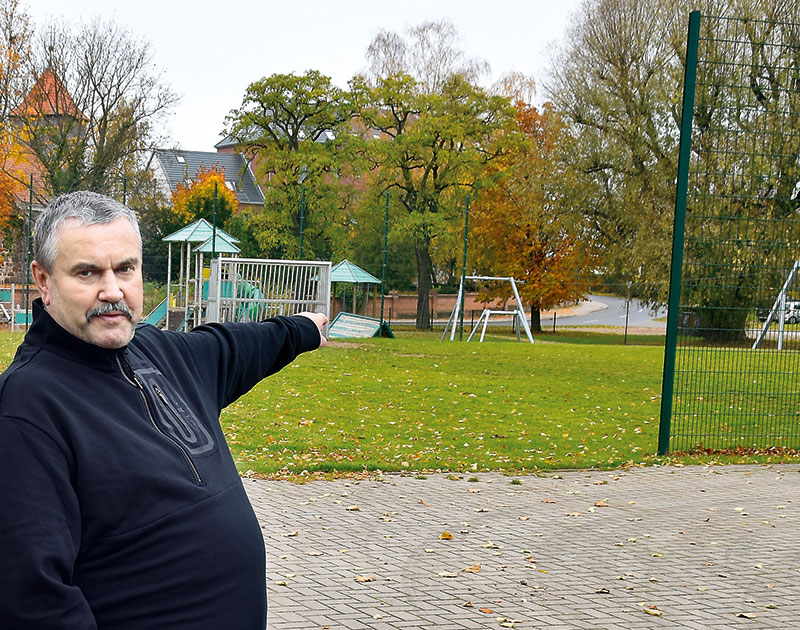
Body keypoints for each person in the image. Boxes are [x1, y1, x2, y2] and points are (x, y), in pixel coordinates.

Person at [0, 191, 328, 629]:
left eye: (125, 269)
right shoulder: (28, 407)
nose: (111, 290)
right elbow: (33, 598)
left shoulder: (159, 353)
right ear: (43, 281)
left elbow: (239, 346)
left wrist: (301, 329)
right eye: (87, 272)